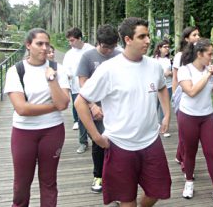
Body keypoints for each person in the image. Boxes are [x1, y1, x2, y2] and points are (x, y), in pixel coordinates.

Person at [75, 17, 171, 207]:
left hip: (151, 141)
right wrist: (96, 137)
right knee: (127, 198)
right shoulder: (109, 69)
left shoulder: (154, 66)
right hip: (120, 144)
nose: (148, 40)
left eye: (148, 35)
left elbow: (161, 88)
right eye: (142, 36)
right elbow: (80, 102)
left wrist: (167, 114)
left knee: (159, 189)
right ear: (128, 39)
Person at [4, 28, 70, 207]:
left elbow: (63, 104)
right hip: (23, 132)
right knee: (21, 184)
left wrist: (52, 80)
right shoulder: (16, 71)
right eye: (39, 43)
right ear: (28, 45)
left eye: (47, 43)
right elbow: (22, 109)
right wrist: (53, 106)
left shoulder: (58, 69)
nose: (44, 47)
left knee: (49, 182)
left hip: (53, 131)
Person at [177, 39, 213, 205]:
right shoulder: (185, 70)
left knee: (211, 153)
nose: (212, 58)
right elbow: (191, 91)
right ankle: (189, 182)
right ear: (199, 54)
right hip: (188, 117)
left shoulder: (211, 71)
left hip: (206, 117)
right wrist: (207, 75)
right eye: (209, 54)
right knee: (190, 152)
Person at [76, 24, 121, 194]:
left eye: (112, 47)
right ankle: (98, 175)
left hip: (115, 108)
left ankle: (115, 176)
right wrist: (93, 105)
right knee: (99, 141)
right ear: (98, 42)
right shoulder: (88, 57)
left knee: (117, 142)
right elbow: (83, 83)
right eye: (105, 47)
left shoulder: (119, 55)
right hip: (95, 108)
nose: (109, 51)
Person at [62, 27, 94, 153]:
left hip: (93, 89)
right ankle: (83, 142)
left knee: (96, 114)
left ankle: (98, 139)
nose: (70, 44)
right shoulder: (69, 54)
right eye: (69, 41)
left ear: (80, 38)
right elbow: (66, 71)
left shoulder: (91, 50)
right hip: (76, 89)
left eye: (72, 40)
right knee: (81, 116)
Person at [172, 26, 200, 165]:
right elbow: (175, 77)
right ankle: (185, 162)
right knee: (184, 131)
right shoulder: (179, 55)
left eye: (198, 34)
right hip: (181, 93)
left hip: (197, 93)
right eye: (194, 35)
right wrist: (174, 95)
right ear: (186, 38)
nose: (197, 37)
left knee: (188, 132)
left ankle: (179, 155)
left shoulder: (200, 54)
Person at [153, 40, 172, 137]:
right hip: (156, 87)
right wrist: (163, 74)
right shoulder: (154, 59)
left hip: (168, 85)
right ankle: (153, 126)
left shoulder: (169, 59)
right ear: (159, 48)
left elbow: (174, 73)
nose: (167, 49)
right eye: (165, 46)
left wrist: (170, 73)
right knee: (154, 106)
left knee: (164, 107)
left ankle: (164, 128)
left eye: (168, 47)